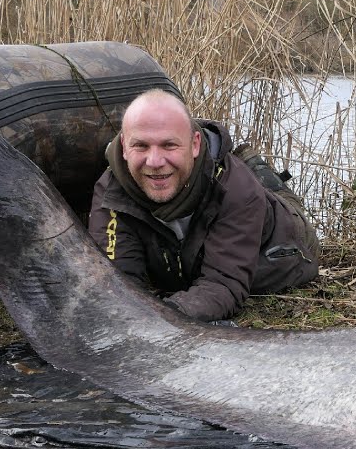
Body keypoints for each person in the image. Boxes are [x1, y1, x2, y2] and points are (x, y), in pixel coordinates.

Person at [87, 89, 319, 321]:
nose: (155, 161)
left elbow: (222, 285)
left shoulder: (238, 190)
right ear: (124, 147)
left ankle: (259, 170)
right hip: (197, 252)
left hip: (285, 240)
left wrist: (163, 318)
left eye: (169, 145)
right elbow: (117, 282)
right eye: (141, 146)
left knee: (278, 198)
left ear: (195, 144)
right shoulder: (111, 191)